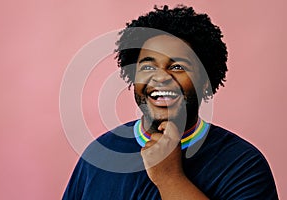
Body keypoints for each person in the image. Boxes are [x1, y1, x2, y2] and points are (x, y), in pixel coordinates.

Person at [63, 5, 278, 199]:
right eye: (147, 67)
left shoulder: (243, 164)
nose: (160, 77)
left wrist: (169, 178)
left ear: (205, 82)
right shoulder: (99, 155)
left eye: (177, 67)